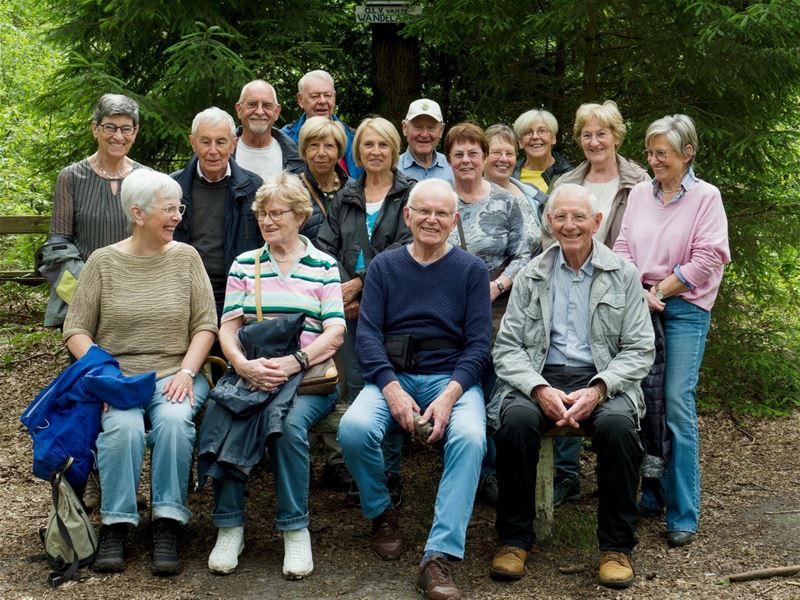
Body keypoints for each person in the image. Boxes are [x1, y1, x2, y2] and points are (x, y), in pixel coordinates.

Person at [488, 183, 654, 589]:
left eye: (579, 216)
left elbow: (639, 349)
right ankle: (513, 540)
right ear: (549, 222)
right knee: (514, 423)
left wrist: (599, 388)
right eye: (560, 216)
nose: (570, 225)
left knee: (617, 428)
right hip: (542, 375)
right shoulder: (532, 275)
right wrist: (538, 388)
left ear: (596, 222)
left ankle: (616, 547)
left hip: (601, 377)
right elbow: (507, 349)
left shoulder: (623, 274)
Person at [338, 178, 491, 600]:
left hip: (452, 379)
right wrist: (391, 389)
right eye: (423, 211)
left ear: (454, 220)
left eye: (442, 213)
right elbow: (367, 335)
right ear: (407, 215)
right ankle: (381, 511)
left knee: (471, 436)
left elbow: (479, 345)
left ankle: (438, 557)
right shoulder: (385, 266)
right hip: (394, 376)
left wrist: (449, 396)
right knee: (353, 428)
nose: (432, 219)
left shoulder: (471, 270)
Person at [62, 168, 218, 575]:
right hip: (119, 377)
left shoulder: (186, 258)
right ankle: (116, 522)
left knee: (172, 421)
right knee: (123, 428)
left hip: (174, 372)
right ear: (137, 212)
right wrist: (105, 373)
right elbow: (75, 328)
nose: (177, 216)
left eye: (178, 207)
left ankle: (167, 521)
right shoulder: (103, 262)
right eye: (168, 209)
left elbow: (206, 323)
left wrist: (187, 371)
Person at [205, 173, 345, 579]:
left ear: (299, 216)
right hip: (253, 373)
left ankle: (295, 529)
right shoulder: (245, 264)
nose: (267, 221)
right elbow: (227, 327)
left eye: (276, 213)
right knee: (227, 418)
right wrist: (243, 365)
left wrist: (294, 362)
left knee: (284, 427)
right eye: (262, 214)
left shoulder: (322, 265)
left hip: (308, 380)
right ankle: (229, 526)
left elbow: (335, 331)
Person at [614, 114, 730, 547]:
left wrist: (659, 289)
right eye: (650, 152)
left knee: (677, 404)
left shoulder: (706, 197)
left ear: (688, 153)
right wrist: (638, 290)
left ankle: (682, 512)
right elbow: (623, 246)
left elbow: (707, 259)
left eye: (662, 152)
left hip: (683, 310)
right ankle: (652, 491)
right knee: (645, 401)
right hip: (640, 307)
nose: (654, 159)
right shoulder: (641, 194)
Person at [546, 101, 650, 506]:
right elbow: (550, 233)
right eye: (586, 134)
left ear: (616, 136)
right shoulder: (568, 180)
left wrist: (633, 283)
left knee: (614, 379)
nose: (593, 141)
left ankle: (628, 489)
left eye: (601, 133)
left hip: (622, 288)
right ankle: (567, 476)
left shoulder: (638, 182)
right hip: (568, 282)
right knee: (565, 358)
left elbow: (643, 237)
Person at [316, 117, 414, 498]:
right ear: (359, 152)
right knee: (356, 386)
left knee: (389, 383)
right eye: (368, 145)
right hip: (350, 311)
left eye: (383, 145)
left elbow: (407, 246)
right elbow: (326, 245)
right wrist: (346, 292)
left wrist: (360, 285)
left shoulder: (409, 193)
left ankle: (390, 473)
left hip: (395, 307)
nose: (375, 152)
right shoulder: (346, 195)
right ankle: (365, 473)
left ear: (394, 151)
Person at [445, 122, 533, 506]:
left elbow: (528, 253)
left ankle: (494, 471)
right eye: (458, 154)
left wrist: (498, 285)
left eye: (473, 153)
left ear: (484, 158)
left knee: (497, 385)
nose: (466, 160)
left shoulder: (508, 201)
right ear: (448, 160)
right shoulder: (437, 199)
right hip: (448, 311)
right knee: (462, 385)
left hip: (499, 309)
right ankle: (468, 467)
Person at [171, 107, 263, 316]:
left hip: (238, 299)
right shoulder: (171, 187)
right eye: (205, 142)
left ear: (233, 144)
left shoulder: (254, 187)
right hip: (184, 300)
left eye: (221, 142)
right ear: (193, 143)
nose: (213, 150)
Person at [49, 93, 143, 263]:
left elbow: (155, 238)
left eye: (126, 128)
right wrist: (83, 282)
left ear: (135, 132)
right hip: (83, 280)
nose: (118, 136)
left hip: (134, 282)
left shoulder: (147, 178)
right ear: (95, 129)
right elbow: (59, 241)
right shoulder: (71, 177)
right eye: (110, 127)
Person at [280, 69, 362, 179]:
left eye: (328, 95)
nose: (322, 101)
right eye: (315, 96)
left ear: (334, 97)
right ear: (300, 100)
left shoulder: (355, 138)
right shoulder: (284, 138)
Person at [483, 123, 545, 253]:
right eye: (496, 152)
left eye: (510, 154)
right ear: (483, 156)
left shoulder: (532, 195)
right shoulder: (467, 196)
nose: (504, 159)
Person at [233, 79, 304, 180]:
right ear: (239, 109)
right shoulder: (223, 154)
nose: (259, 112)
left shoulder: (296, 158)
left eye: (267, 105)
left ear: (277, 112)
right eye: (252, 104)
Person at [296, 116, 350, 245]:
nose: (321, 153)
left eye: (329, 146)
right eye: (314, 145)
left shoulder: (354, 189)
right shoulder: (291, 191)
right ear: (304, 151)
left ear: (339, 152)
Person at [512, 109, 573, 193]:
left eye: (542, 131)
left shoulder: (570, 176)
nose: (535, 137)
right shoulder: (509, 174)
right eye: (528, 132)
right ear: (520, 142)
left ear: (553, 138)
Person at [398, 98, 453, 183]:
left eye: (431, 128)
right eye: (418, 127)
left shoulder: (453, 167)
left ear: (441, 130)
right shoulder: (391, 169)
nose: (424, 134)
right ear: (405, 128)